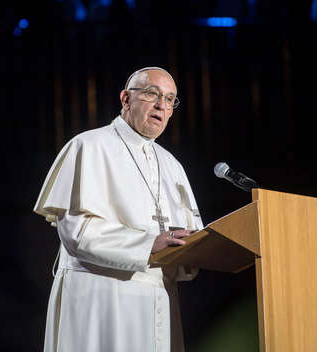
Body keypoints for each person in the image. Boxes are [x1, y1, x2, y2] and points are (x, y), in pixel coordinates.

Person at [34, 67, 203, 352]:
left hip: (159, 300)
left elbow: (185, 250)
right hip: (101, 298)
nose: (162, 105)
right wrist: (149, 245)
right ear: (126, 99)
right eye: (152, 94)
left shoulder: (173, 166)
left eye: (171, 99)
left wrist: (195, 249)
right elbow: (78, 234)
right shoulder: (88, 147)